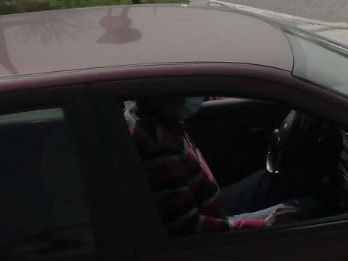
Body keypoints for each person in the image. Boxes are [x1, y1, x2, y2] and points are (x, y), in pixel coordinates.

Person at [125, 96, 306, 236]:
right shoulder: (158, 148)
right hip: (215, 222)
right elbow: (187, 227)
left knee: (279, 178)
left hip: (212, 204)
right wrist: (265, 225)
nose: (190, 95)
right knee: (305, 209)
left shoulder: (157, 122)